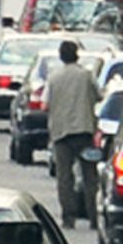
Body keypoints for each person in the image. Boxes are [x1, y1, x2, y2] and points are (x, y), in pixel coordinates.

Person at [43, 39, 102, 227]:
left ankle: (68, 217)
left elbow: (44, 104)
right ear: (77, 55)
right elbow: (99, 96)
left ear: (61, 56)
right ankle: (94, 218)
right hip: (84, 131)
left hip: (61, 133)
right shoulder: (86, 76)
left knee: (64, 177)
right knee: (90, 177)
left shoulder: (54, 78)